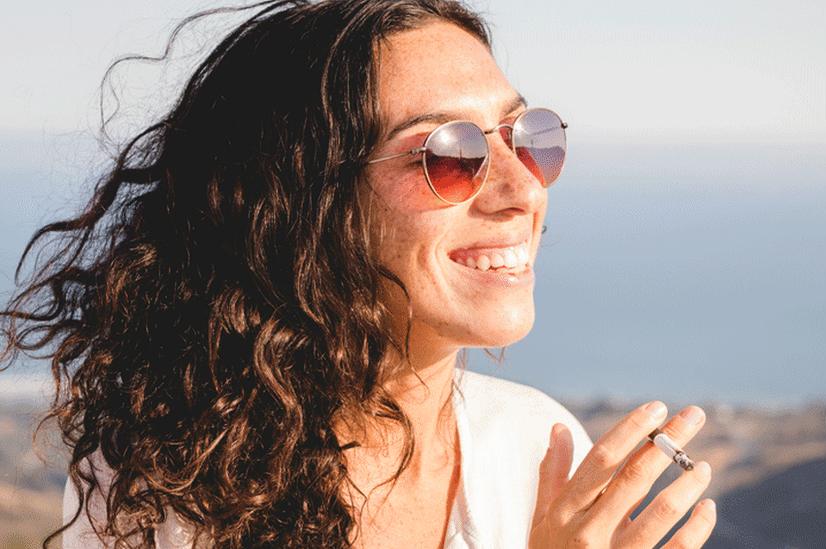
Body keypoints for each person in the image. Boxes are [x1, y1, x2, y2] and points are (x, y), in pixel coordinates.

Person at [0, 1, 716, 547]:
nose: (522, 189)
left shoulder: (539, 450)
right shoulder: (169, 490)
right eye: (448, 153)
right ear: (303, 208)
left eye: (527, 138)